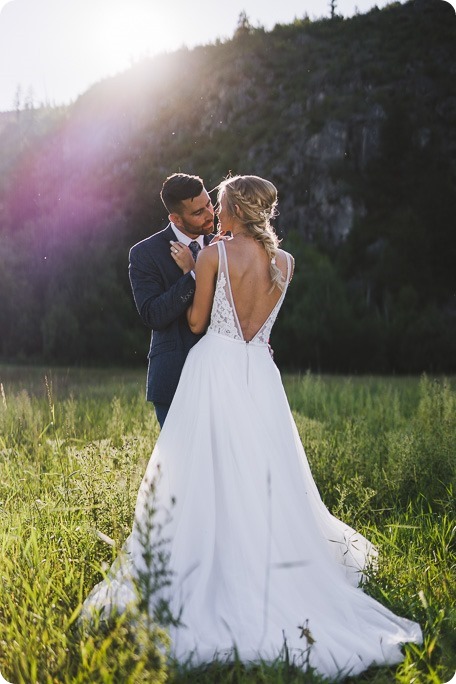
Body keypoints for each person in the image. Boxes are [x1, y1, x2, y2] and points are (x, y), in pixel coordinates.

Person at [83, 175, 422, 679]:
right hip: (259, 374)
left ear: (233, 209)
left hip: (214, 367)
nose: (213, 213)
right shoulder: (286, 262)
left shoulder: (214, 255)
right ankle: (270, 562)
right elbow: (257, 328)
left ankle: (209, 563)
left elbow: (198, 323)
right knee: (264, 475)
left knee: (196, 475)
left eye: (217, 204)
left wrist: (196, 271)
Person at [129, 173, 215, 427]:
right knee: (180, 464)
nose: (210, 214)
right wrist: (194, 275)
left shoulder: (225, 245)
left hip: (222, 375)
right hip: (174, 374)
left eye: (209, 203)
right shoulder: (146, 253)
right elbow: (153, 314)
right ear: (175, 218)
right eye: (199, 212)